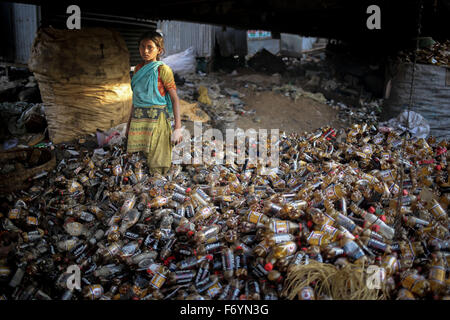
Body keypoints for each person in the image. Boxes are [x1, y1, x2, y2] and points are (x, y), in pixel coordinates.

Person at [126, 31, 183, 175]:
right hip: (139, 120)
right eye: (142, 47)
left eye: (150, 47)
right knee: (139, 162)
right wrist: (128, 125)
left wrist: (177, 128)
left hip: (157, 121)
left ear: (159, 50)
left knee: (157, 161)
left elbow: (175, 99)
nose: (145, 51)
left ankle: (159, 189)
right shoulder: (138, 69)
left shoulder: (163, 70)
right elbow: (136, 99)